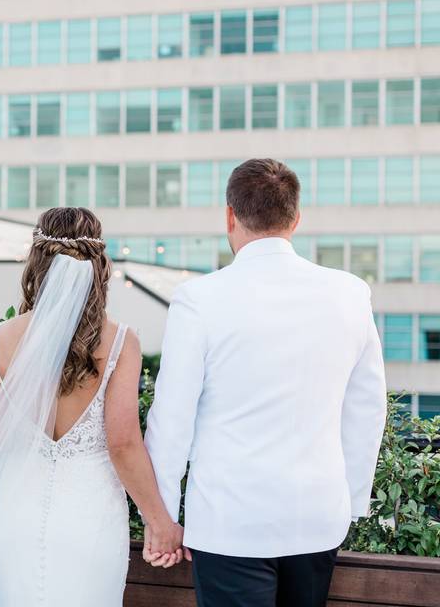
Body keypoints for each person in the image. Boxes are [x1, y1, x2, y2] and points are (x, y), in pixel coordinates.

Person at [0, 207, 183, 606]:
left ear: (37, 262)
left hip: (16, 517)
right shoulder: (121, 342)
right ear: (100, 265)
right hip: (91, 521)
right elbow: (123, 444)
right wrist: (160, 522)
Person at [143, 158, 388, 607]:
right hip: (318, 516)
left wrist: (161, 518)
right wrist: (350, 501)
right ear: (296, 219)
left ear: (229, 216)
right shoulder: (351, 292)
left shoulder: (198, 299)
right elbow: (367, 407)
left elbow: (172, 419)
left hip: (229, 520)